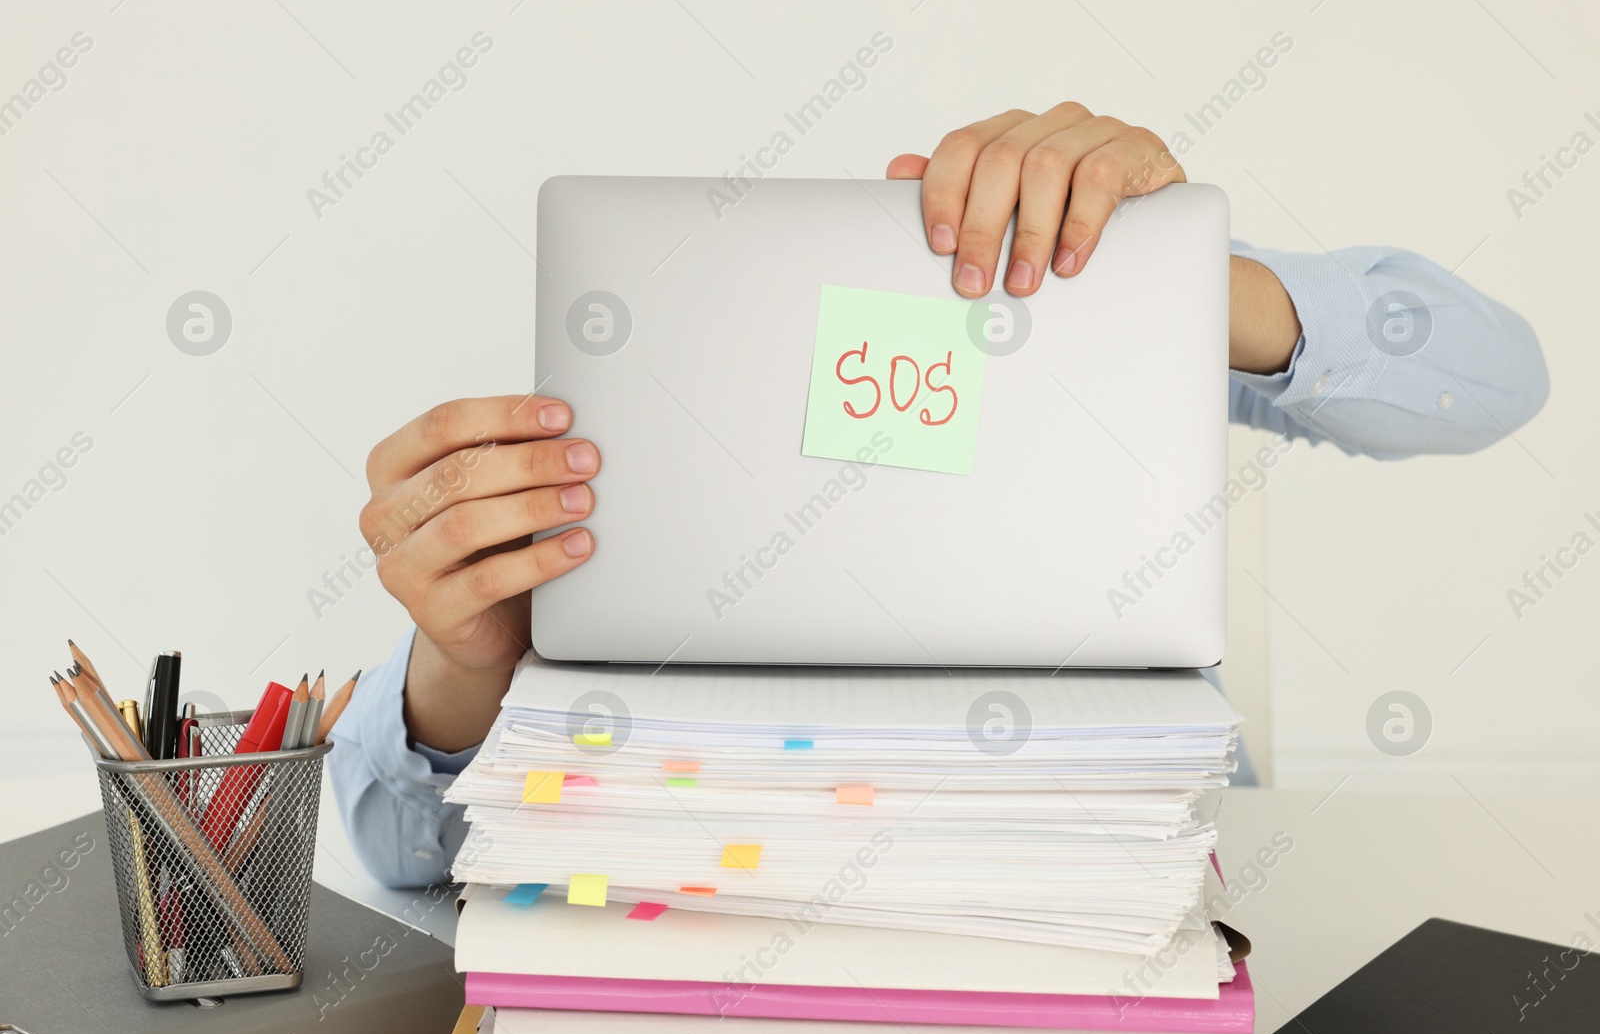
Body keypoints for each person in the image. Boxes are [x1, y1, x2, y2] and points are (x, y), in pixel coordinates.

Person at [331, 104, 1548, 887]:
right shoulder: (623, 452)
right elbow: (397, 852)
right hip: (722, 893)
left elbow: (1499, 378)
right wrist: (464, 669)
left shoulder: (1113, 328)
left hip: (1091, 893)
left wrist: (1185, 272)